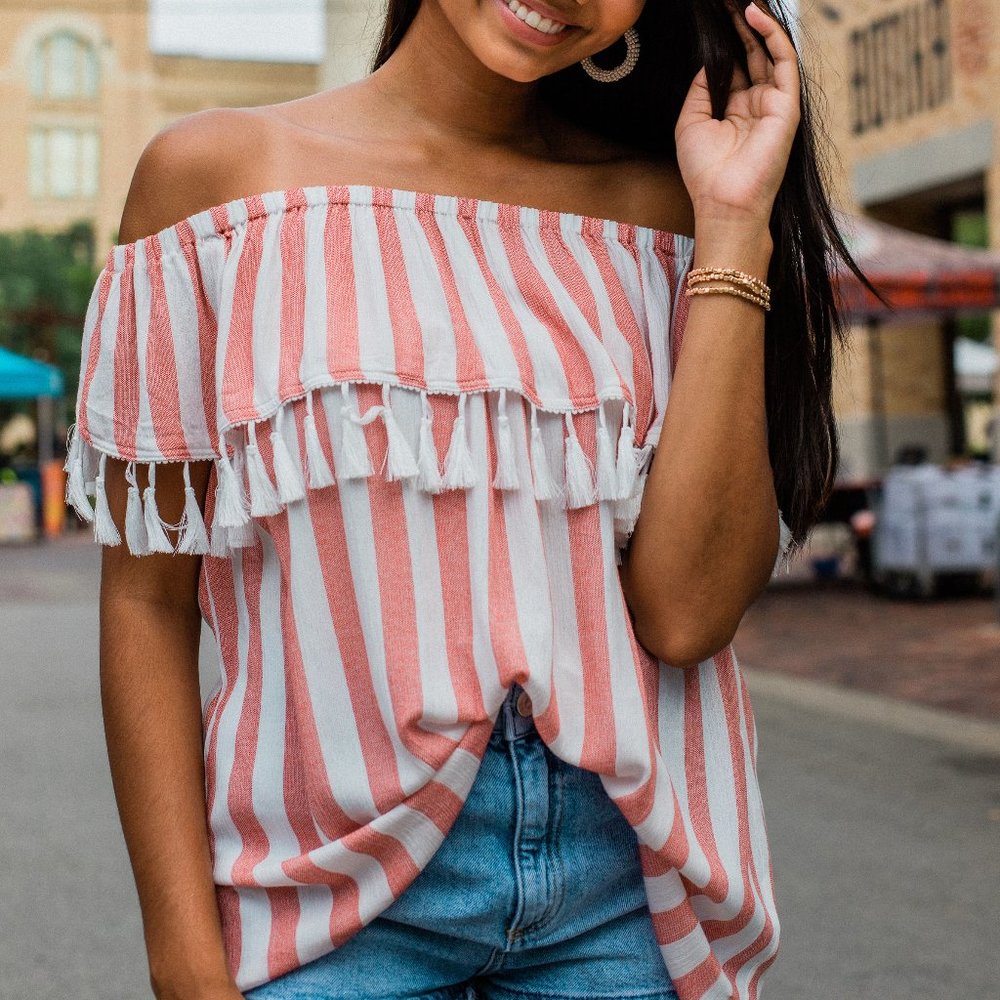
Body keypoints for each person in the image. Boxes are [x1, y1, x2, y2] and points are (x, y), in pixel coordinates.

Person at [64, 1, 868, 998]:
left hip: (625, 902)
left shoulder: (664, 212)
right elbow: (146, 600)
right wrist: (183, 959)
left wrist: (736, 226)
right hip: (323, 907)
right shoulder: (216, 183)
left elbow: (686, 611)